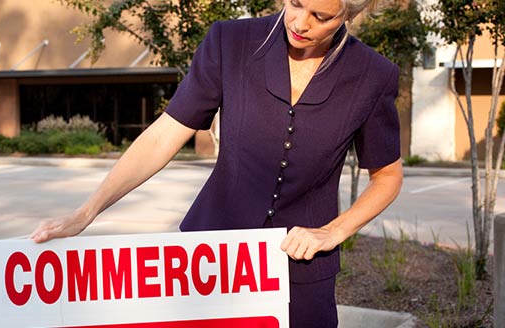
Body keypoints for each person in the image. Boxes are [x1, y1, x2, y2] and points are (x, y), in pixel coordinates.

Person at [30, 0, 403, 326]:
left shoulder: (373, 75)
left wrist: (333, 232)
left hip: (303, 270)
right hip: (211, 262)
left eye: (321, 16)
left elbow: (387, 177)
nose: (300, 23)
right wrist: (87, 211)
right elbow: (164, 135)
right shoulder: (231, 42)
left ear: (350, 15)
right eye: (295, 3)